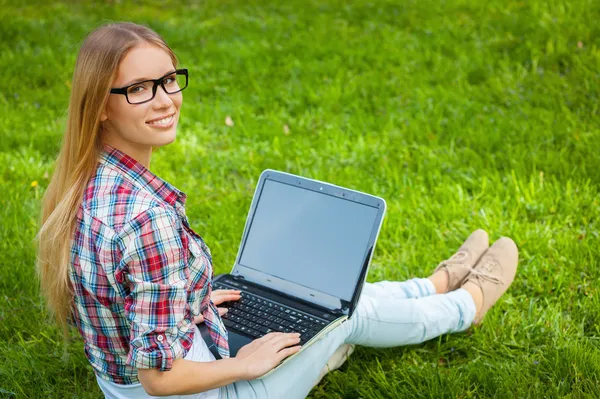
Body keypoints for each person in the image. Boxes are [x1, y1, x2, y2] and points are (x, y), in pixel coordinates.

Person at [35, 22, 519, 399]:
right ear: (101, 104)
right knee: (339, 314)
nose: (165, 100)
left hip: (124, 388)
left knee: (321, 300)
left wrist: (195, 303)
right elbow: (159, 378)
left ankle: (431, 286)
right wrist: (248, 363)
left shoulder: (88, 182)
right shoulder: (146, 219)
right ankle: (465, 306)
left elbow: (127, 309)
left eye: (168, 80)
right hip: (194, 391)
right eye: (140, 89)